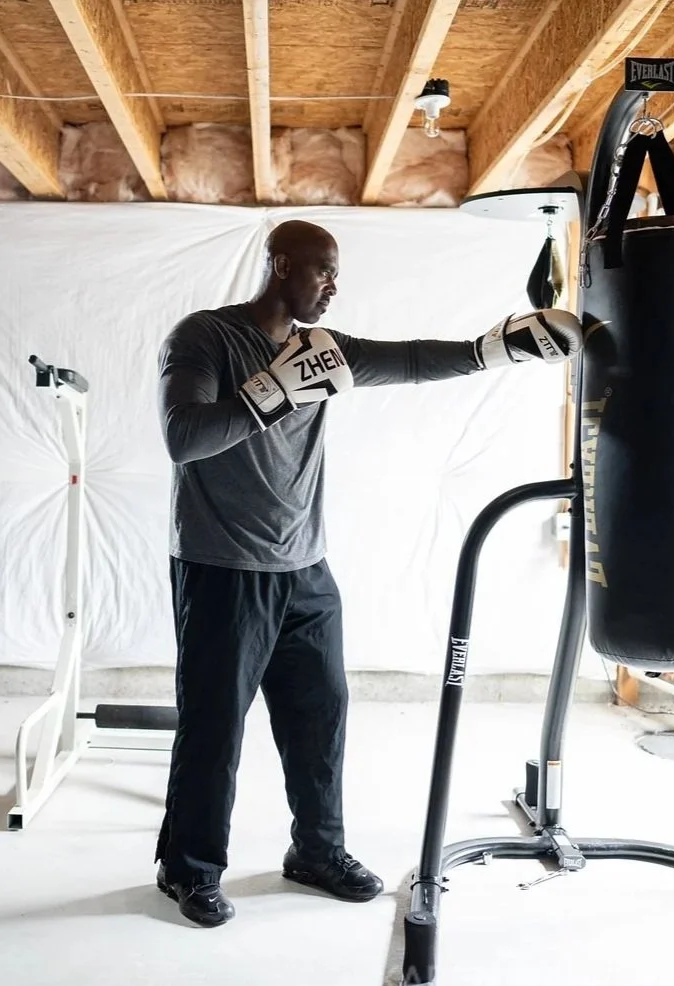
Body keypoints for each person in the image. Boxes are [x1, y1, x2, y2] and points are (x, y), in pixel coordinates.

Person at [153, 219, 581, 927]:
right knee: (214, 726)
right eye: (321, 270)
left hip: (306, 568)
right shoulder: (204, 337)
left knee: (320, 717)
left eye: (336, 274)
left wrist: (492, 349)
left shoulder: (322, 350)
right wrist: (270, 392)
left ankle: (316, 852)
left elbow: (408, 359)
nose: (332, 285)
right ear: (280, 265)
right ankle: (189, 870)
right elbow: (183, 437)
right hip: (222, 566)